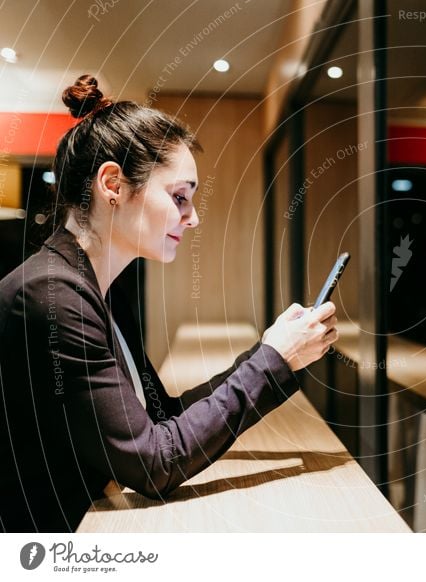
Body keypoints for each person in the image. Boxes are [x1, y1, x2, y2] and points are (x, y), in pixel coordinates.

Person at [0, 75, 338, 532]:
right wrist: (273, 359)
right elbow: (154, 464)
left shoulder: (95, 285)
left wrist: (273, 354)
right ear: (112, 184)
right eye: (179, 196)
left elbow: (159, 417)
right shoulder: (53, 294)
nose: (192, 216)